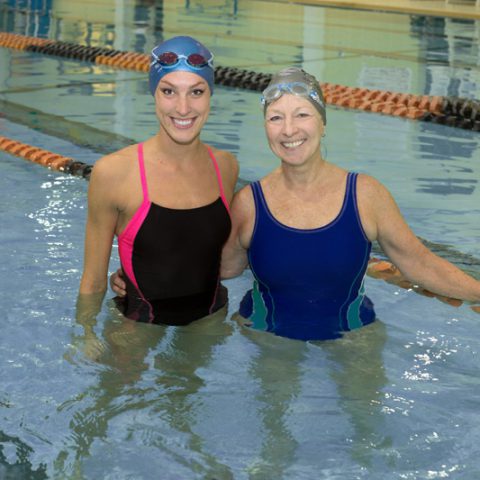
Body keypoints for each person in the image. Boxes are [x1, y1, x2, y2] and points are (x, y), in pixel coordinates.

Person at [111, 66, 480, 340]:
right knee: (274, 441)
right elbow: (217, 269)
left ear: (322, 123)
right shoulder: (249, 204)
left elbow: (418, 262)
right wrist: (139, 276)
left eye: (302, 114)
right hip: (265, 337)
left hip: (354, 336)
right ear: (266, 128)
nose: (289, 130)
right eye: (276, 118)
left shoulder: (366, 194)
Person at [78, 35, 238, 327]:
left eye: (196, 92)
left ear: (211, 94)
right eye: (169, 91)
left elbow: (215, 255)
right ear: (153, 91)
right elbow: (92, 282)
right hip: (136, 325)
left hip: (210, 318)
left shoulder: (225, 167)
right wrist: (84, 337)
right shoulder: (113, 173)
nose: (183, 108)